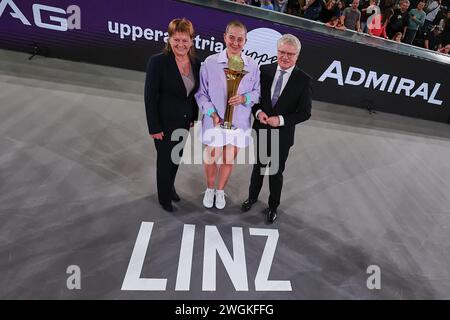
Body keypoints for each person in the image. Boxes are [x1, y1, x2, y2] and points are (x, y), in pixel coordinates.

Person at [241, 34, 312, 223]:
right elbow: (254, 99)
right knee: (258, 167)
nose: (285, 57)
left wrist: (279, 120)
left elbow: (305, 112)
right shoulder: (263, 71)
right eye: (282, 52)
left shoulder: (303, 80)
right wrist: (258, 113)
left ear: (297, 55)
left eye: (290, 54)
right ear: (277, 51)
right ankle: (252, 197)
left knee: (275, 172)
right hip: (262, 130)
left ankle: (273, 206)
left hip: (282, 135)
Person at [195, 20, 261, 210]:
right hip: (214, 122)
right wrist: (212, 113)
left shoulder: (253, 66)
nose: (235, 42)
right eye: (231, 37)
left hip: (238, 124)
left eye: (240, 39)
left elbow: (257, 94)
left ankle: (220, 191)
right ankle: (209, 188)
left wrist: (244, 98)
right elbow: (201, 93)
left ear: (245, 41)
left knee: (227, 160)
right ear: (225, 37)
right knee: (210, 158)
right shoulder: (210, 62)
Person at [144, 18, 200, 212]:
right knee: (165, 160)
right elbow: (149, 96)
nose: (180, 44)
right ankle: (164, 197)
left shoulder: (195, 63)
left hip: (184, 121)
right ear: (169, 39)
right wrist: (154, 127)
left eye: (185, 40)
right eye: (176, 39)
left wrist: (193, 116)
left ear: (192, 41)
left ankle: (170, 187)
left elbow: (193, 95)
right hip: (164, 123)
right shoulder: (158, 62)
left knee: (176, 158)